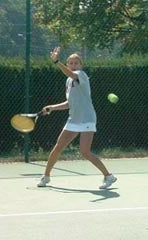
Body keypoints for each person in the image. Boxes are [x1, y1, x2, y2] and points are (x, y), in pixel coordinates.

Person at [37, 47, 117, 189]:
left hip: (87, 119)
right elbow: (69, 103)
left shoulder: (81, 75)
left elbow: (71, 74)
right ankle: (46, 177)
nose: (74, 66)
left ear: (81, 65)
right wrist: (52, 108)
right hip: (73, 120)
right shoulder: (68, 81)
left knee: (85, 152)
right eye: (71, 63)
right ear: (68, 65)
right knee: (57, 148)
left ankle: (108, 176)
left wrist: (56, 62)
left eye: (76, 63)